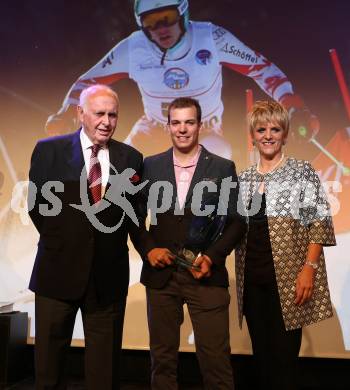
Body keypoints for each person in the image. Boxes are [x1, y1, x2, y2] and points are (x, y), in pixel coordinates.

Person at [46, 0, 317, 157]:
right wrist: (67, 111)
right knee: (116, 174)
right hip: (154, 128)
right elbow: (87, 82)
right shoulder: (134, 47)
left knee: (215, 164)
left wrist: (295, 106)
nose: (161, 29)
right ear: (142, 25)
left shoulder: (211, 37)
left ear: (184, 14)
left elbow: (261, 68)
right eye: (151, 22)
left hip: (205, 131)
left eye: (167, 18)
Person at [28, 84, 149, 389]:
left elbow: (133, 214)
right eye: (99, 113)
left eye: (112, 115)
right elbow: (37, 208)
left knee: (104, 374)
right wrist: (67, 242)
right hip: (56, 274)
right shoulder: (48, 151)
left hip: (107, 278)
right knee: (48, 371)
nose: (106, 121)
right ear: (80, 113)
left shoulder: (132, 158)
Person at [139, 97, 246, 389]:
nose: (182, 129)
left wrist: (211, 257)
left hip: (205, 275)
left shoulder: (222, 167)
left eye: (189, 122)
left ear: (199, 125)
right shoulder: (151, 165)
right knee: (162, 361)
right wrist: (148, 249)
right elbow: (134, 218)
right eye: (176, 123)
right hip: (162, 276)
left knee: (215, 362)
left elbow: (237, 221)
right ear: (168, 126)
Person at [235, 100, 336, 390]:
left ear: (285, 134)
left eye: (275, 129)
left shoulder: (301, 171)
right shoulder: (245, 178)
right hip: (252, 281)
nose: (268, 135)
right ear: (252, 136)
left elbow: (319, 223)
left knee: (284, 361)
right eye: (261, 129)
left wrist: (309, 269)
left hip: (289, 281)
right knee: (262, 360)